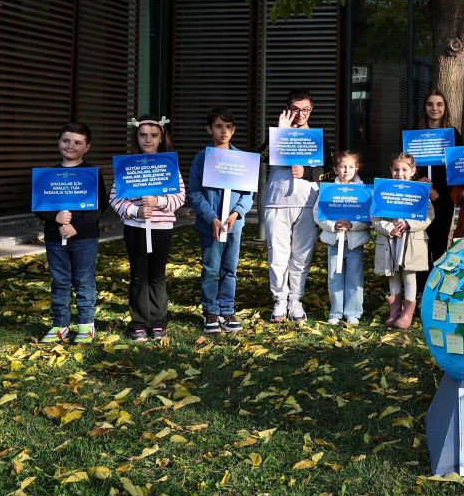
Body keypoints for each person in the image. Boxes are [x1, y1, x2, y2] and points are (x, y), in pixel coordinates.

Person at [109, 115, 186, 342]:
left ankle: (159, 321)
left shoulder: (169, 166)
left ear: (161, 138)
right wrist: (135, 211)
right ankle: (140, 322)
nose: (148, 140)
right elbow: (115, 198)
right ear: (136, 137)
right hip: (135, 227)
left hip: (162, 228)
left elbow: (179, 197)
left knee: (157, 275)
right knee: (139, 274)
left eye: (153, 135)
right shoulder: (127, 166)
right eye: (143, 135)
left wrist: (158, 202)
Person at [36, 122, 106, 345]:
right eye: (66, 140)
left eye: (77, 142)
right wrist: (54, 217)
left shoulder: (92, 174)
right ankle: (60, 325)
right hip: (55, 238)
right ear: (58, 143)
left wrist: (77, 226)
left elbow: (99, 206)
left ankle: (86, 325)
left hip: (84, 238)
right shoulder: (48, 175)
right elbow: (39, 205)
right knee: (60, 281)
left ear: (87, 147)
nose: (70, 146)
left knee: (84, 280)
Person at [186, 107, 252, 334]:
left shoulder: (242, 160)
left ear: (234, 130)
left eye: (228, 127)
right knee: (211, 268)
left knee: (230, 268)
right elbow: (194, 193)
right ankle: (211, 311)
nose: (223, 131)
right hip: (210, 225)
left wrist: (236, 214)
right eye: (218, 126)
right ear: (209, 129)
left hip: (234, 225)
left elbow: (248, 194)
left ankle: (227, 309)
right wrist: (212, 218)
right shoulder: (202, 158)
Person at [375, 152, 431, 330]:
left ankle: (408, 311)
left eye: (405, 170)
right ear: (391, 171)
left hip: (411, 240)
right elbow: (374, 216)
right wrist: (389, 227)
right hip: (392, 240)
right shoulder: (384, 190)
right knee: (393, 274)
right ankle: (394, 310)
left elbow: (429, 215)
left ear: (413, 171)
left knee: (409, 274)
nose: (400, 174)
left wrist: (409, 224)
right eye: (396, 170)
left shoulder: (420, 192)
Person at [316, 149, 369, 325]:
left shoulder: (363, 191)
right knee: (334, 276)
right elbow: (318, 213)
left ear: (357, 168)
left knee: (355, 276)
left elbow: (369, 217)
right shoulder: (328, 190)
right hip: (334, 241)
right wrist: (333, 226)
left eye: (350, 166)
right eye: (342, 166)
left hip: (354, 243)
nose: (346, 170)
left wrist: (353, 225)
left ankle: (353, 311)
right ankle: (336, 312)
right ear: (336, 168)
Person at [264, 162, 318, 324]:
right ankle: (280, 300)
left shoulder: (317, 138)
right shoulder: (276, 136)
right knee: (277, 255)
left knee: (302, 256)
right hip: (276, 201)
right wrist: (275, 141)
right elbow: (261, 155)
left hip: (308, 202)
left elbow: (328, 169)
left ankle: (295, 300)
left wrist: (307, 172)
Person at [419, 91, 460, 265]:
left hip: (443, 197)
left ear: (445, 108)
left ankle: (437, 288)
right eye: (430, 104)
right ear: (424, 107)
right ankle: (421, 289)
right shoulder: (414, 133)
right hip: (419, 196)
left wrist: (438, 189)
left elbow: (457, 167)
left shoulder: (452, 134)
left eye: (439, 104)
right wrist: (420, 182)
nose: (434, 108)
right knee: (420, 243)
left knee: (440, 244)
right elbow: (405, 163)